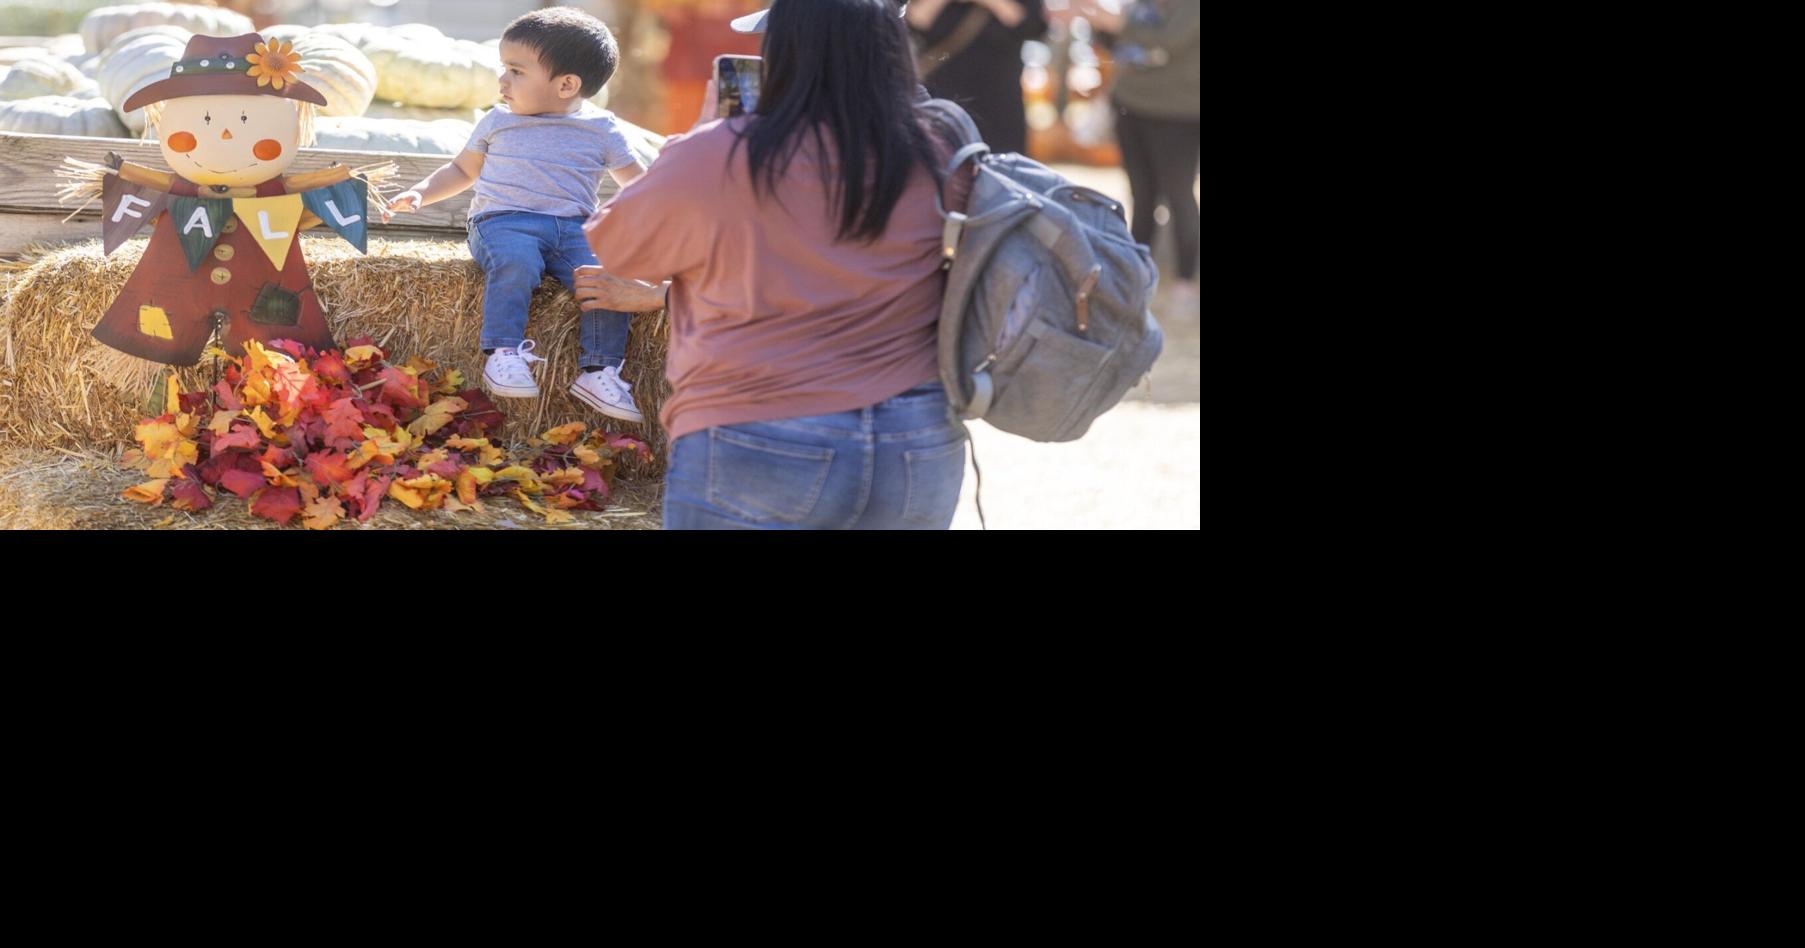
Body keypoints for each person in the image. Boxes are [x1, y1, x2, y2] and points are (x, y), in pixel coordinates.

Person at [583, 0, 970, 530]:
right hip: (917, 439)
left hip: (759, 430)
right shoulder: (940, 146)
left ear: (789, 54)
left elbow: (616, 246)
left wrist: (700, 133)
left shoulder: (725, 151)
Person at [387, 7, 650, 423]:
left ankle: (599, 369)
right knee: (517, 261)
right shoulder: (498, 121)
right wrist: (421, 192)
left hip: (574, 228)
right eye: (503, 68)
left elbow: (639, 184)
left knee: (607, 274)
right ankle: (503, 352)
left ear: (566, 85)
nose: (502, 80)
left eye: (516, 70)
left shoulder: (603, 129)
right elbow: (462, 170)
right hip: (503, 221)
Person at [1083, 0, 1198, 309]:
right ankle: (1136, 275)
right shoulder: (1137, 6)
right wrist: (1098, 22)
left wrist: (1119, 23)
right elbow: (1112, 44)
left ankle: (1186, 279)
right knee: (1142, 197)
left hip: (1180, 116)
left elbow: (1168, 41)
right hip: (1131, 108)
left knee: (1179, 196)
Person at [906, 0, 1047, 156]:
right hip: (943, 90)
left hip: (999, 93)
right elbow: (913, 22)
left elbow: (1032, 25)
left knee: (1002, 160)